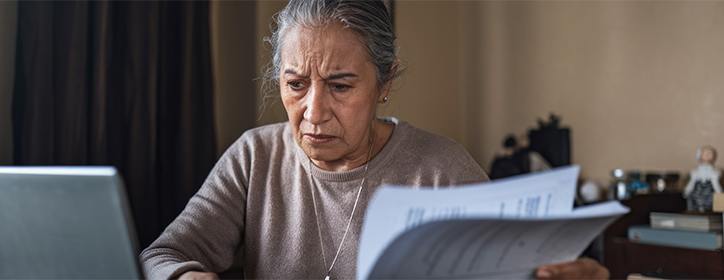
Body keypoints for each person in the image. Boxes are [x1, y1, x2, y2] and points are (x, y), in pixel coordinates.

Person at [140, 1, 608, 279]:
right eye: (296, 84)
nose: (314, 112)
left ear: (385, 83)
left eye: (341, 86)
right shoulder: (254, 156)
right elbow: (161, 254)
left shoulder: (442, 170)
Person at [684, 145, 722, 212]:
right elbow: (687, 192)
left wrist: (715, 181)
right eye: (704, 153)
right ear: (699, 155)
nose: (707, 155)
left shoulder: (715, 172)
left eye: (710, 153)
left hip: (710, 197)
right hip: (696, 197)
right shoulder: (695, 172)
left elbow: (719, 193)